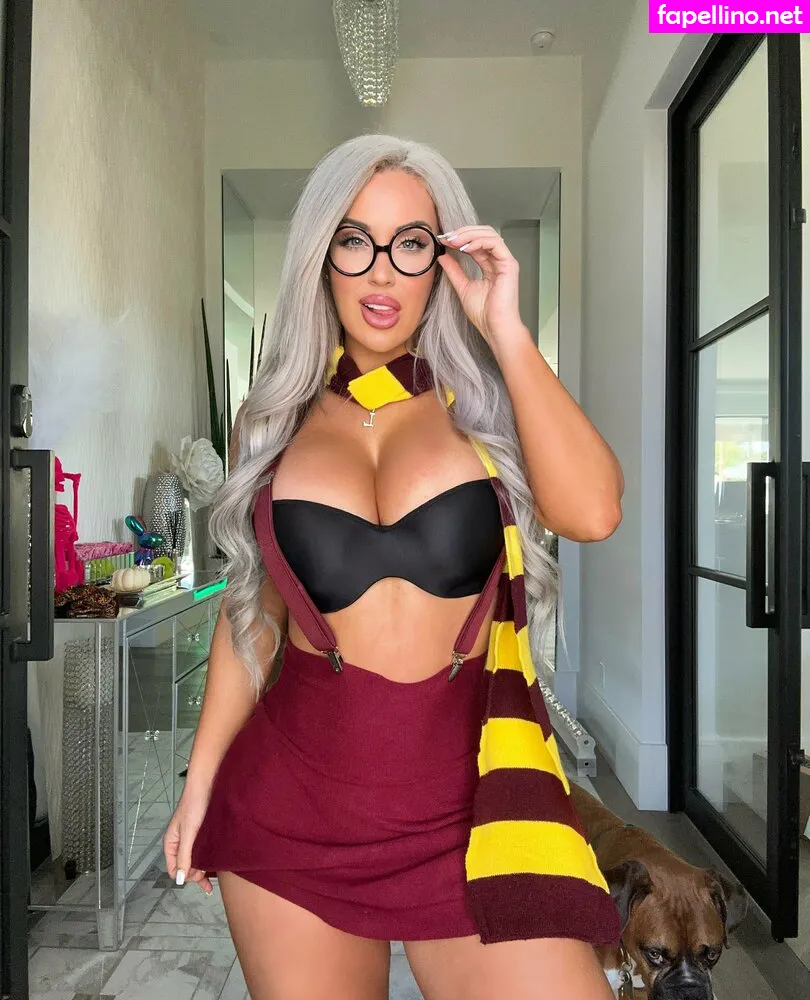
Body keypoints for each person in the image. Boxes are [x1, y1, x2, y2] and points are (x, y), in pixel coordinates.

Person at [163, 134, 624, 1000]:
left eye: (411, 243)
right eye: (355, 240)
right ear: (321, 255)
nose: (381, 272)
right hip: (292, 809)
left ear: (442, 258)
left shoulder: (487, 408)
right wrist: (202, 784)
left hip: (475, 814)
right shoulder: (275, 421)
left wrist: (506, 331)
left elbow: (593, 512)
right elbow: (254, 616)